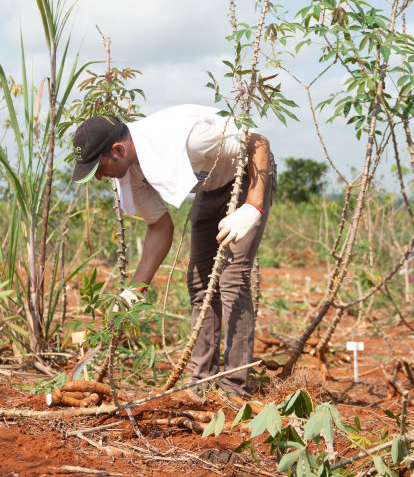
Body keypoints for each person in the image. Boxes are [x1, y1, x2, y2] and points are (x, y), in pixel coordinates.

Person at [70, 104, 276, 398]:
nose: (101, 177)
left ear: (118, 150)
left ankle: (234, 389)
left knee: (232, 281)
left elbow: (258, 143)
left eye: (100, 168)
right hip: (211, 188)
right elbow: (159, 228)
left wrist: (252, 208)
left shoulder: (188, 139)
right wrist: (134, 290)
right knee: (199, 283)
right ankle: (201, 383)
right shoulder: (130, 173)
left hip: (248, 178)